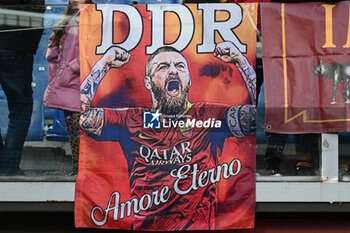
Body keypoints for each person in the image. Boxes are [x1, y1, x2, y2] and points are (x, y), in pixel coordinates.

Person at [80, 42, 256, 230]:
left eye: (180, 66)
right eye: (163, 67)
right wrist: (104, 63)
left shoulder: (208, 116)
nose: (173, 71)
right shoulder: (133, 120)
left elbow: (256, 116)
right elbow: (82, 115)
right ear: (148, 82)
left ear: (188, 79)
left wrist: (240, 60)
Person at [44, 0, 93, 175]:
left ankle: (83, 171)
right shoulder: (69, 18)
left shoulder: (92, 18)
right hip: (67, 83)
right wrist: (54, 54)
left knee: (82, 133)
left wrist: (74, 66)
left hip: (79, 82)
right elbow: (54, 47)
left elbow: (93, 49)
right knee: (74, 132)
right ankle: (78, 170)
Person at [0, 0, 44, 175]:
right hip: (15, 49)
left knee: (20, 108)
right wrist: (28, 49)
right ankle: (8, 168)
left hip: (14, 47)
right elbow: (36, 15)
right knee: (20, 108)